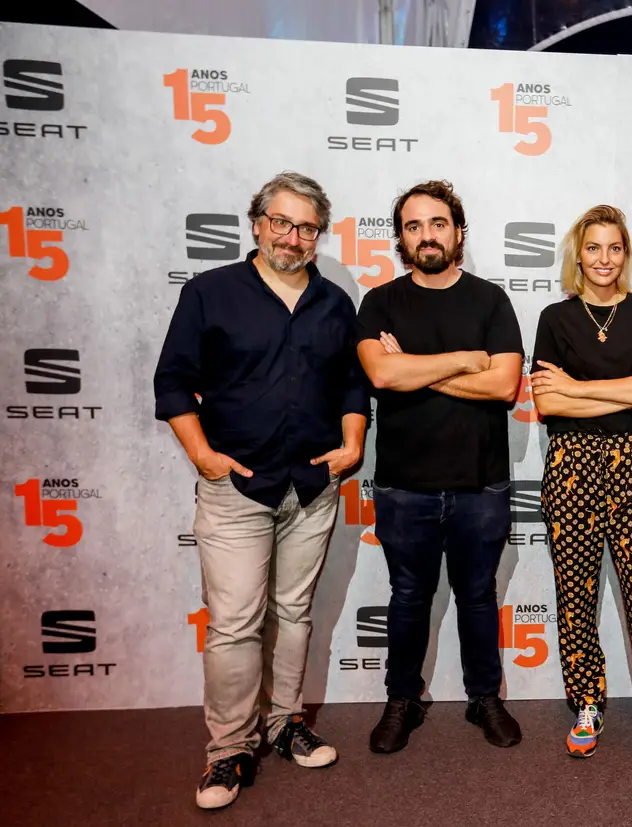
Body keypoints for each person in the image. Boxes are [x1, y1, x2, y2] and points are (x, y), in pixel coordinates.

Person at [154, 171, 368, 810]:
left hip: (312, 485)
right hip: (236, 488)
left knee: (294, 613)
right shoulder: (210, 292)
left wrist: (352, 445)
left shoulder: (335, 302)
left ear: (318, 235)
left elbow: (352, 383)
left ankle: (286, 724)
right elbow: (172, 381)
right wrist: (203, 456)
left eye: (306, 227)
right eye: (281, 222)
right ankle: (228, 750)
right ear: (257, 224)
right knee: (234, 624)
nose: (292, 237)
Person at [355, 180, 524, 755]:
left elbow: (503, 385)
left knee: (478, 596)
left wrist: (415, 367)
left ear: (458, 232)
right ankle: (402, 699)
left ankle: (485, 698)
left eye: (437, 223)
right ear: (401, 238)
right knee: (408, 597)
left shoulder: (490, 301)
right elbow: (382, 375)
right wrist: (462, 361)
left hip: (481, 483)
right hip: (404, 486)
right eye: (413, 226)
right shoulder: (379, 303)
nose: (426, 235)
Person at [529, 205, 632, 784]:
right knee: (575, 596)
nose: (604, 259)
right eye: (594, 247)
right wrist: (630, 388)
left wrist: (579, 388)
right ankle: (588, 704)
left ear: (626, 253)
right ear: (579, 254)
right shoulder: (555, 317)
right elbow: (547, 401)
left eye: (615, 247)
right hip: (570, 465)